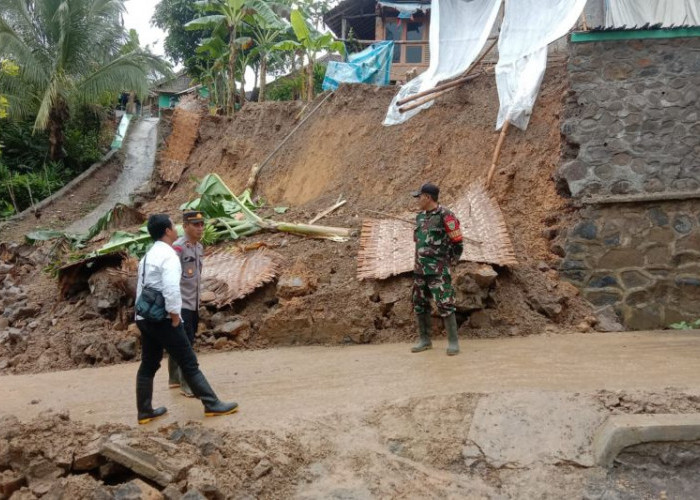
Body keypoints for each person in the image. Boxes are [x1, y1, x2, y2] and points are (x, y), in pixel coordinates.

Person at [135, 214, 238, 424]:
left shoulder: (147, 257)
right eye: (174, 226)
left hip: (144, 317)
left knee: (148, 364)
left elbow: (141, 289)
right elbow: (171, 288)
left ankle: (144, 411)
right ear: (167, 231)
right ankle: (212, 403)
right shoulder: (170, 255)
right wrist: (174, 316)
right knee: (189, 362)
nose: (176, 229)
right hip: (163, 318)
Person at [410, 183, 464, 356]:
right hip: (420, 270)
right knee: (420, 304)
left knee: (445, 304)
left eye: (419, 197)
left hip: (438, 271)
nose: (417, 200)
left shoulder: (446, 216)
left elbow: (457, 242)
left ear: (428, 197)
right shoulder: (420, 218)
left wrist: (448, 263)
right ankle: (425, 340)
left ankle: (453, 343)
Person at [168, 211, 205, 398]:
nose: (200, 228)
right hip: (181, 304)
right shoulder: (177, 249)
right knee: (186, 344)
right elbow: (171, 279)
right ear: (185, 226)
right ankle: (186, 384)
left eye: (201, 224)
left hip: (193, 302)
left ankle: (174, 378)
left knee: (180, 341)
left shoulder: (199, 248)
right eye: (195, 225)